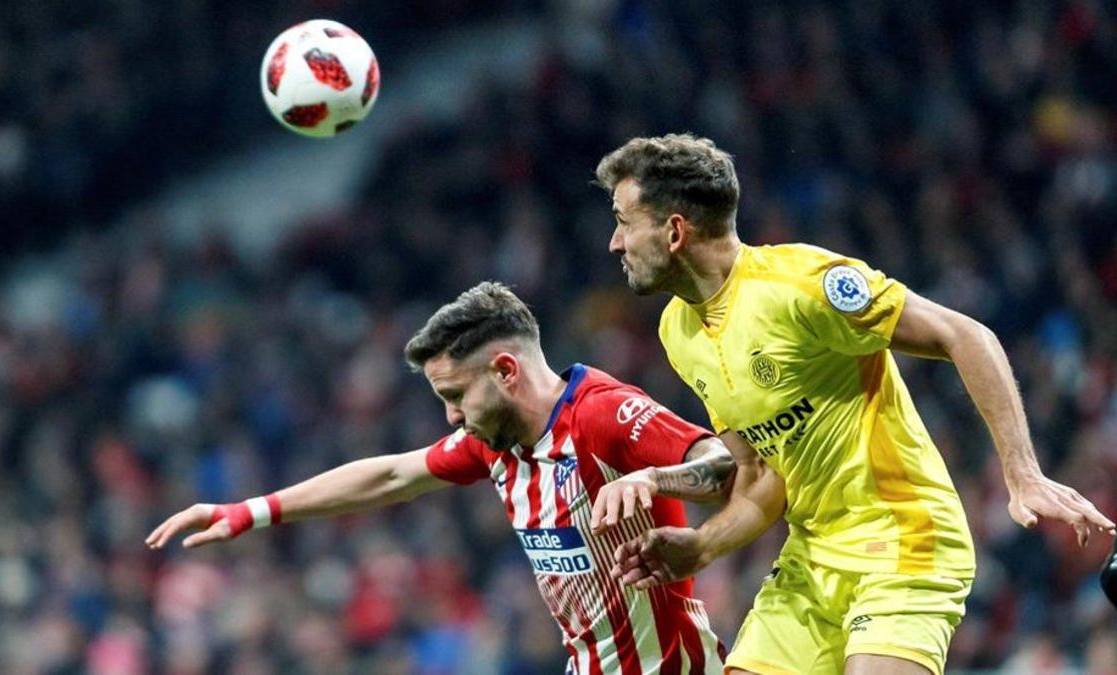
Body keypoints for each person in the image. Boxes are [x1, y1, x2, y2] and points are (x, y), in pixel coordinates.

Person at [589, 133, 1117, 675]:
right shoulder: (679, 331)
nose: (614, 242)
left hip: (902, 539)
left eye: (624, 221)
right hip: (813, 560)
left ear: (675, 230)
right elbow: (761, 475)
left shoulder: (800, 286)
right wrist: (700, 548)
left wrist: (1023, 473)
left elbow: (965, 335)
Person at [146, 281, 744, 674]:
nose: (451, 416)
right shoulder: (496, 445)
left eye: (456, 395)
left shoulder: (602, 414)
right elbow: (390, 476)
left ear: (506, 370)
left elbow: (725, 465)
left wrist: (657, 482)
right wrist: (248, 512)